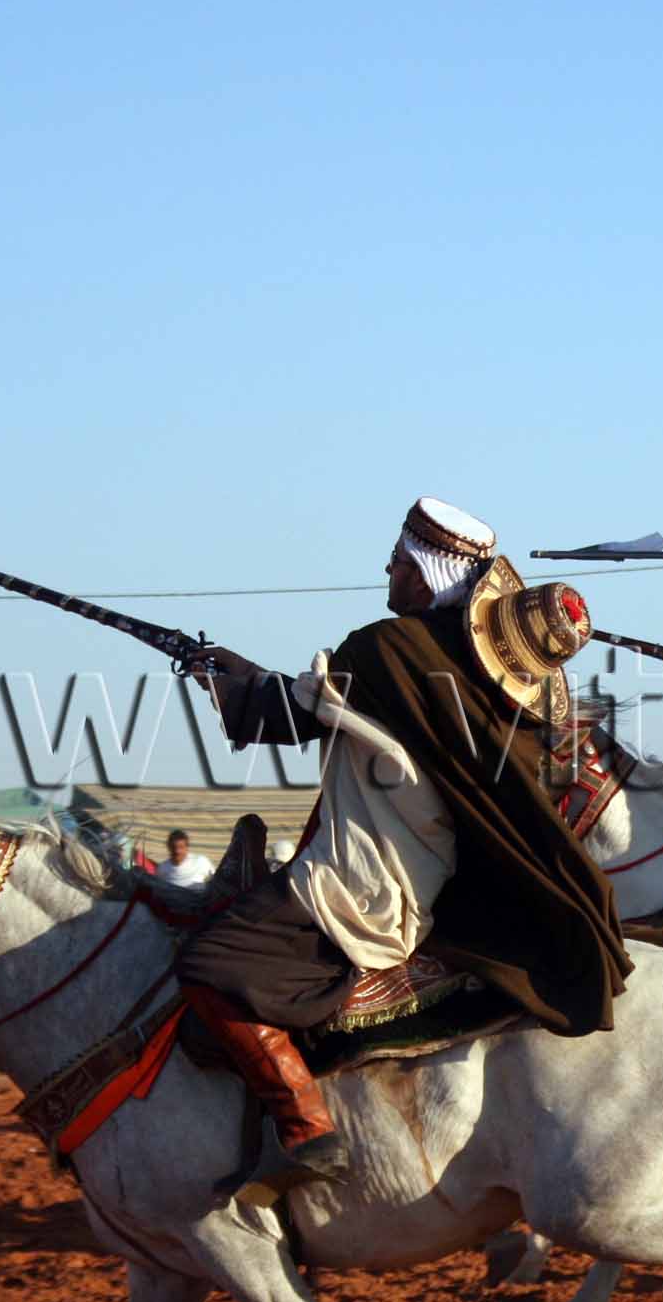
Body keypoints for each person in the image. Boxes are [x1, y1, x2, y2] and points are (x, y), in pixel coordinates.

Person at [179, 496, 631, 1198]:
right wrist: (235, 668)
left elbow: (286, 712)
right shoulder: (482, 681)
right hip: (430, 882)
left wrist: (217, 674)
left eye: (400, 559)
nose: (389, 568)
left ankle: (303, 1123)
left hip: (359, 883)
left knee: (207, 962)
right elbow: (317, 701)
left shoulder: (386, 650)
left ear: (426, 574)